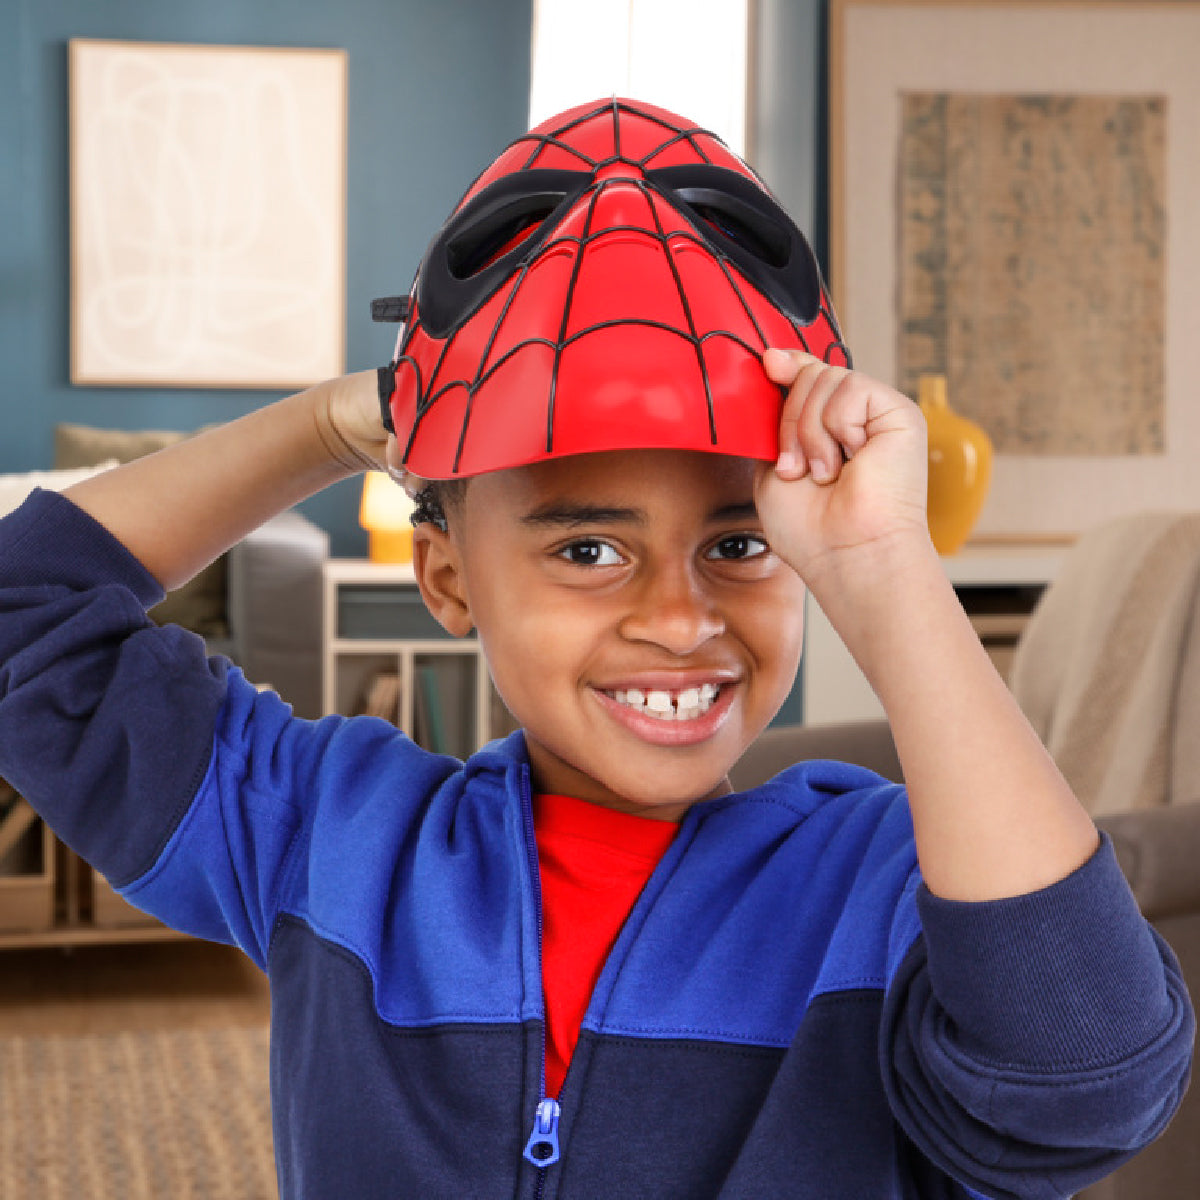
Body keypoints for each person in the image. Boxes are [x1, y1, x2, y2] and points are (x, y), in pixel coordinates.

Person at [0, 98, 1191, 1199]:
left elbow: (1089, 1087)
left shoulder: (880, 887)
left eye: (739, 544)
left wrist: (889, 564)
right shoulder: (335, 840)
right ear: (448, 577)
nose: (679, 617)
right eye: (587, 550)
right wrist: (331, 422)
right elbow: (25, 611)